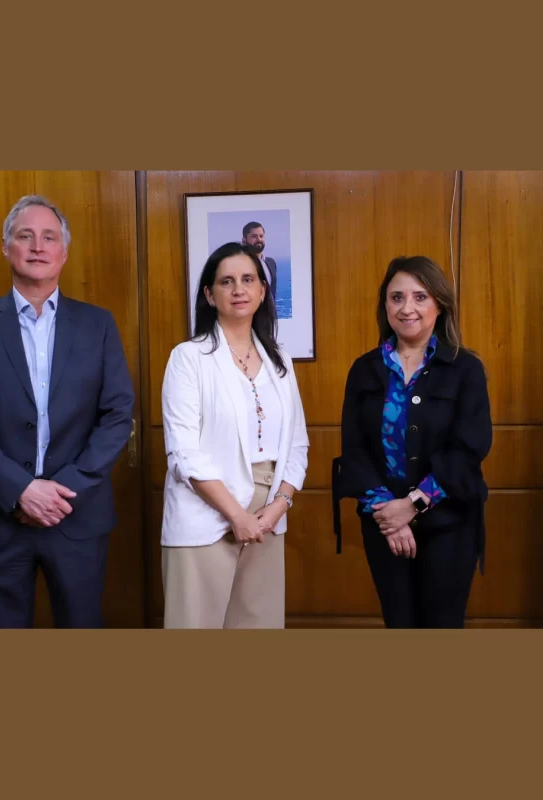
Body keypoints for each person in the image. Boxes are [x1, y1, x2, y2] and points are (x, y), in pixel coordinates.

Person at [0, 195, 135, 628]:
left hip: (76, 515)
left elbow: (118, 415)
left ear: (64, 252)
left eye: (49, 237)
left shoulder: (98, 325)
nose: (38, 246)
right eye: (25, 236)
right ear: (6, 247)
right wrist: (20, 489)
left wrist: (60, 492)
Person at [333, 256, 492, 628]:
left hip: (450, 524)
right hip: (384, 524)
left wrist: (414, 504)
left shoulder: (465, 369)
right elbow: (354, 449)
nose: (407, 308)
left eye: (420, 297)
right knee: (399, 625)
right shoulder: (364, 369)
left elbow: (469, 449)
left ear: (440, 304)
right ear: (385, 306)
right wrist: (389, 514)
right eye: (397, 297)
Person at [161, 242, 309, 628]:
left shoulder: (280, 359)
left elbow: (298, 444)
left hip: (267, 515)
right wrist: (236, 515)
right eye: (226, 281)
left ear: (262, 291)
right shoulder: (188, 358)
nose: (238, 289)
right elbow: (183, 454)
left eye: (248, 279)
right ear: (210, 295)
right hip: (208, 512)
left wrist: (278, 506)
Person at [242, 221, 277, 302]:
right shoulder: (239, 264)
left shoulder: (271, 263)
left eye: (261, 236)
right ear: (244, 240)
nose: (259, 239)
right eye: (254, 236)